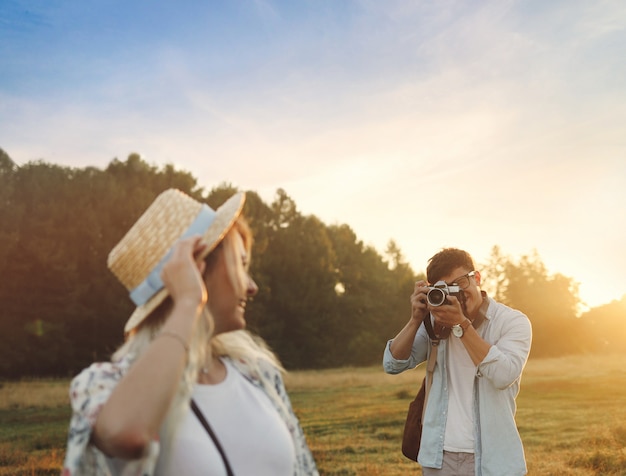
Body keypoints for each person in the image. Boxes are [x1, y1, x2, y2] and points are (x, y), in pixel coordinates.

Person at [63, 188, 319, 476]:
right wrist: (188, 301)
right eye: (242, 264)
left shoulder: (257, 373)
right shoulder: (103, 385)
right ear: (196, 268)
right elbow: (128, 434)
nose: (252, 286)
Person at [383, 248, 532, 476]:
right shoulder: (436, 322)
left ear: (477, 278)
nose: (456, 294)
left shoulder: (512, 322)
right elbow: (393, 364)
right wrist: (415, 320)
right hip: (439, 457)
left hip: (492, 458)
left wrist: (462, 325)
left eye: (460, 283)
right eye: (446, 289)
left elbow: (503, 375)